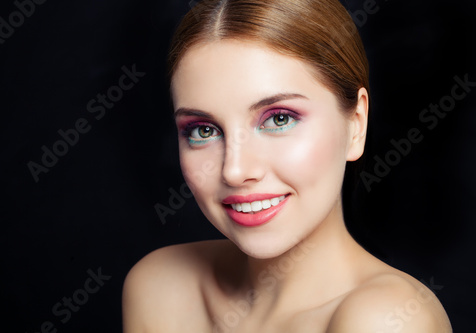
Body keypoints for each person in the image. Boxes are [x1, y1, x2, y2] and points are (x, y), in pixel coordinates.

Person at [122, 0, 452, 331]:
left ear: (356, 125)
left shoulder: (387, 320)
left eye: (279, 119)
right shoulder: (159, 287)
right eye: (203, 130)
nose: (234, 171)